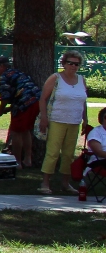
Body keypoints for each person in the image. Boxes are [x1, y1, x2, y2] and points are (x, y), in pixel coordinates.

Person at [38, 50, 90, 195]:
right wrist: (44, 117)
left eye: (76, 64)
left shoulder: (81, 79)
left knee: (69, 154)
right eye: (70, 63)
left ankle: (65, 183)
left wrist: (85, 119)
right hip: (57, 119)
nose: (73, 66)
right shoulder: (55, 78)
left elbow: (83, 101)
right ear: (64, 63)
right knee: (53, 152)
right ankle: (45, 182)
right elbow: (43, 98)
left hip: (74, 121)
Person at [0, 56, 41, 168]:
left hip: (23, 104)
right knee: (26, 131)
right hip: (36, 101)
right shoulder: (18, 72)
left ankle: (17, 162)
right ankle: (28, 159)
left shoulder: (4, 76)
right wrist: (8, 109)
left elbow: (5, 98)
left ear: (2, 66)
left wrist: (0, 111)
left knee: (16, 132)